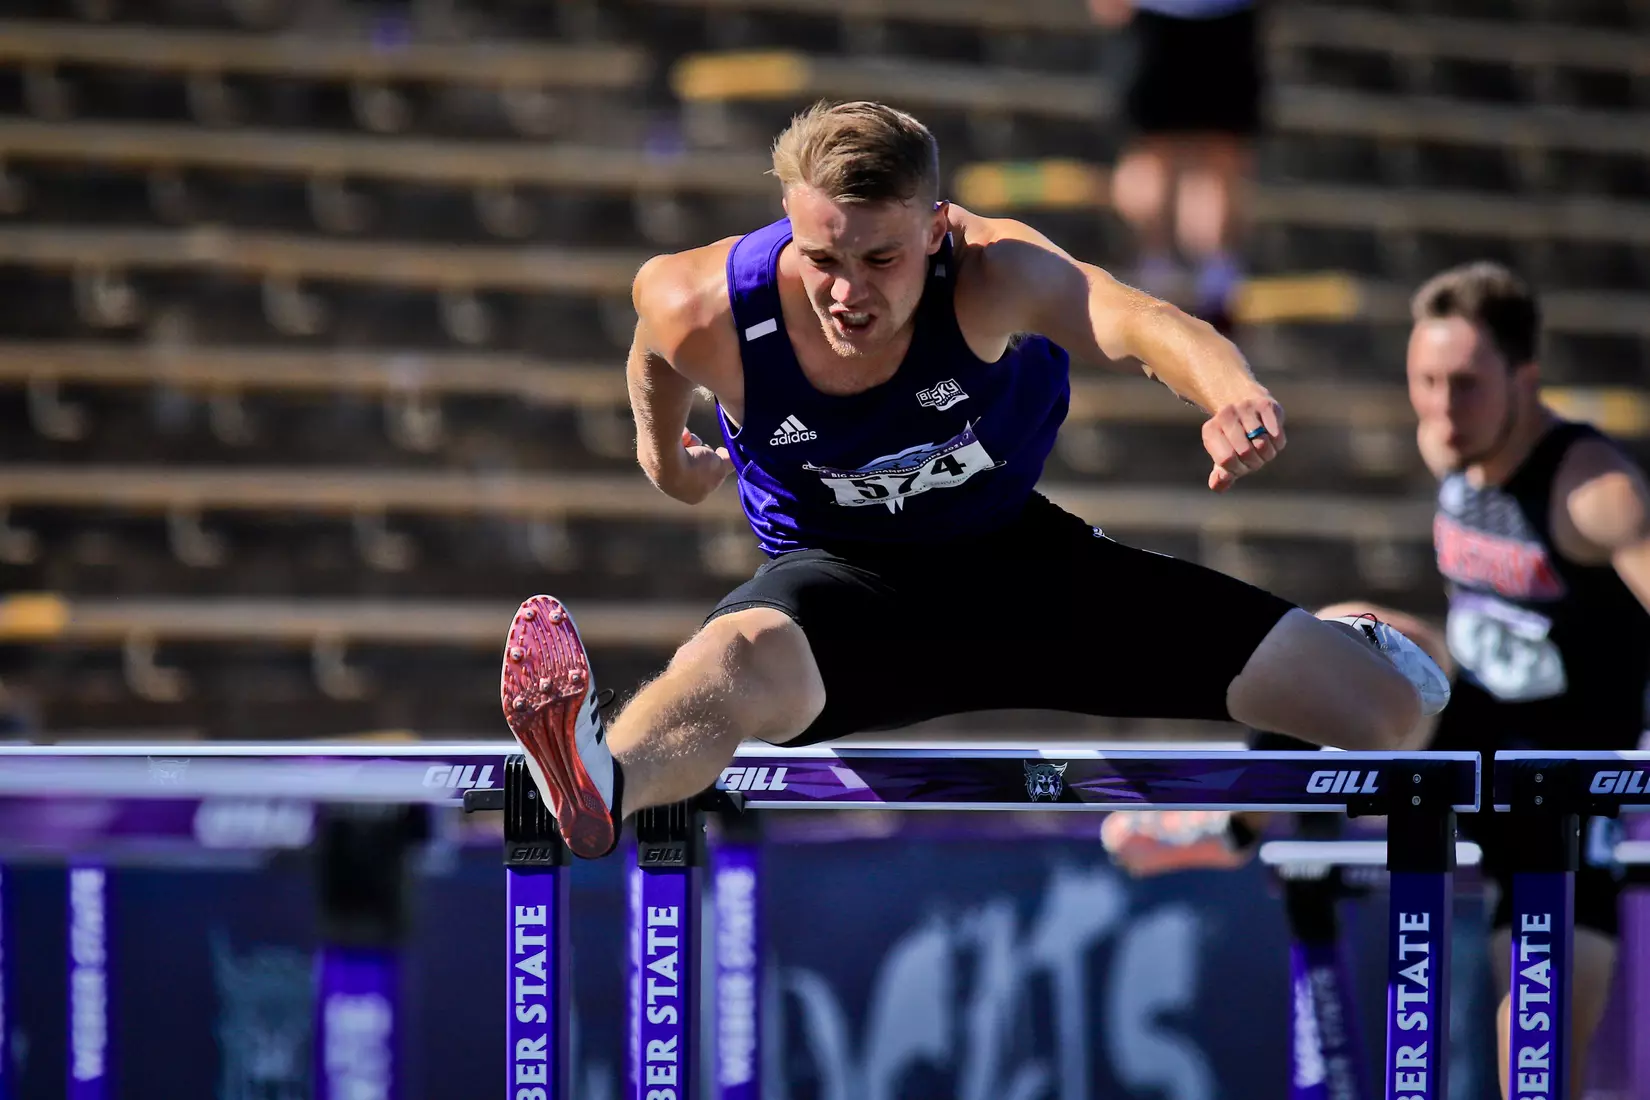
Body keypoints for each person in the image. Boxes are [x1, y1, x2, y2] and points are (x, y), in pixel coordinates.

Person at [496, 99, 1449, 864]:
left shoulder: (997, 273)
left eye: (881, 259)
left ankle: (1326, 682)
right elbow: (654, 357)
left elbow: (1141, 320)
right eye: (822, 259)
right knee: (735, 656)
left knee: (1385, 713)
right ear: (788, 224)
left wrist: (1231, 391)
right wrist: (665, 462)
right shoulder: (702, 302)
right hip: (842, 589)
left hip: (1023, 568)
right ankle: (597, 777)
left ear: (937, 230)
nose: (848, 293)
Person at [1103, 261, 1650, 1097]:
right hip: (1473, 732)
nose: (1439, 407)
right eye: (1424, 381)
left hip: (1569, 784)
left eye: (1464, 384)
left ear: (1525, 380)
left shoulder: (1595, 491)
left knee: (1539, 1068)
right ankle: (1234, 822)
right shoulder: (1449, 440)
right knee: (1357, 630)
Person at [1087, 0, 1264, 329]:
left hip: (1185, 16)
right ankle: (1201, 280)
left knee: (1168, 153)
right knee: (1190, 154)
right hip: (1196, 16)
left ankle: (1177, 278)